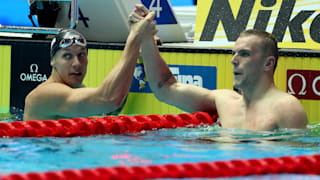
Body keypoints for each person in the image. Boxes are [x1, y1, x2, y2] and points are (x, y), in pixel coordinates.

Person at [129, 4, 308, 131]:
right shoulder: (225, 102)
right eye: (234, 54)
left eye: (244, 54)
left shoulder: (286, 108)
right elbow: (166, 88)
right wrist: (146, 39)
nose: (234, 60)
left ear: (268, 63)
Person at [24, 11, 158, 121]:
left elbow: (111, 109)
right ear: (53, 60)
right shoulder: (45, 94)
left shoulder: (76, 91)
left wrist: (144, 43)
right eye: (67, 56)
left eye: (81, 55)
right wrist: (135, 38)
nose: (76, 63)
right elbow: (109, 100)